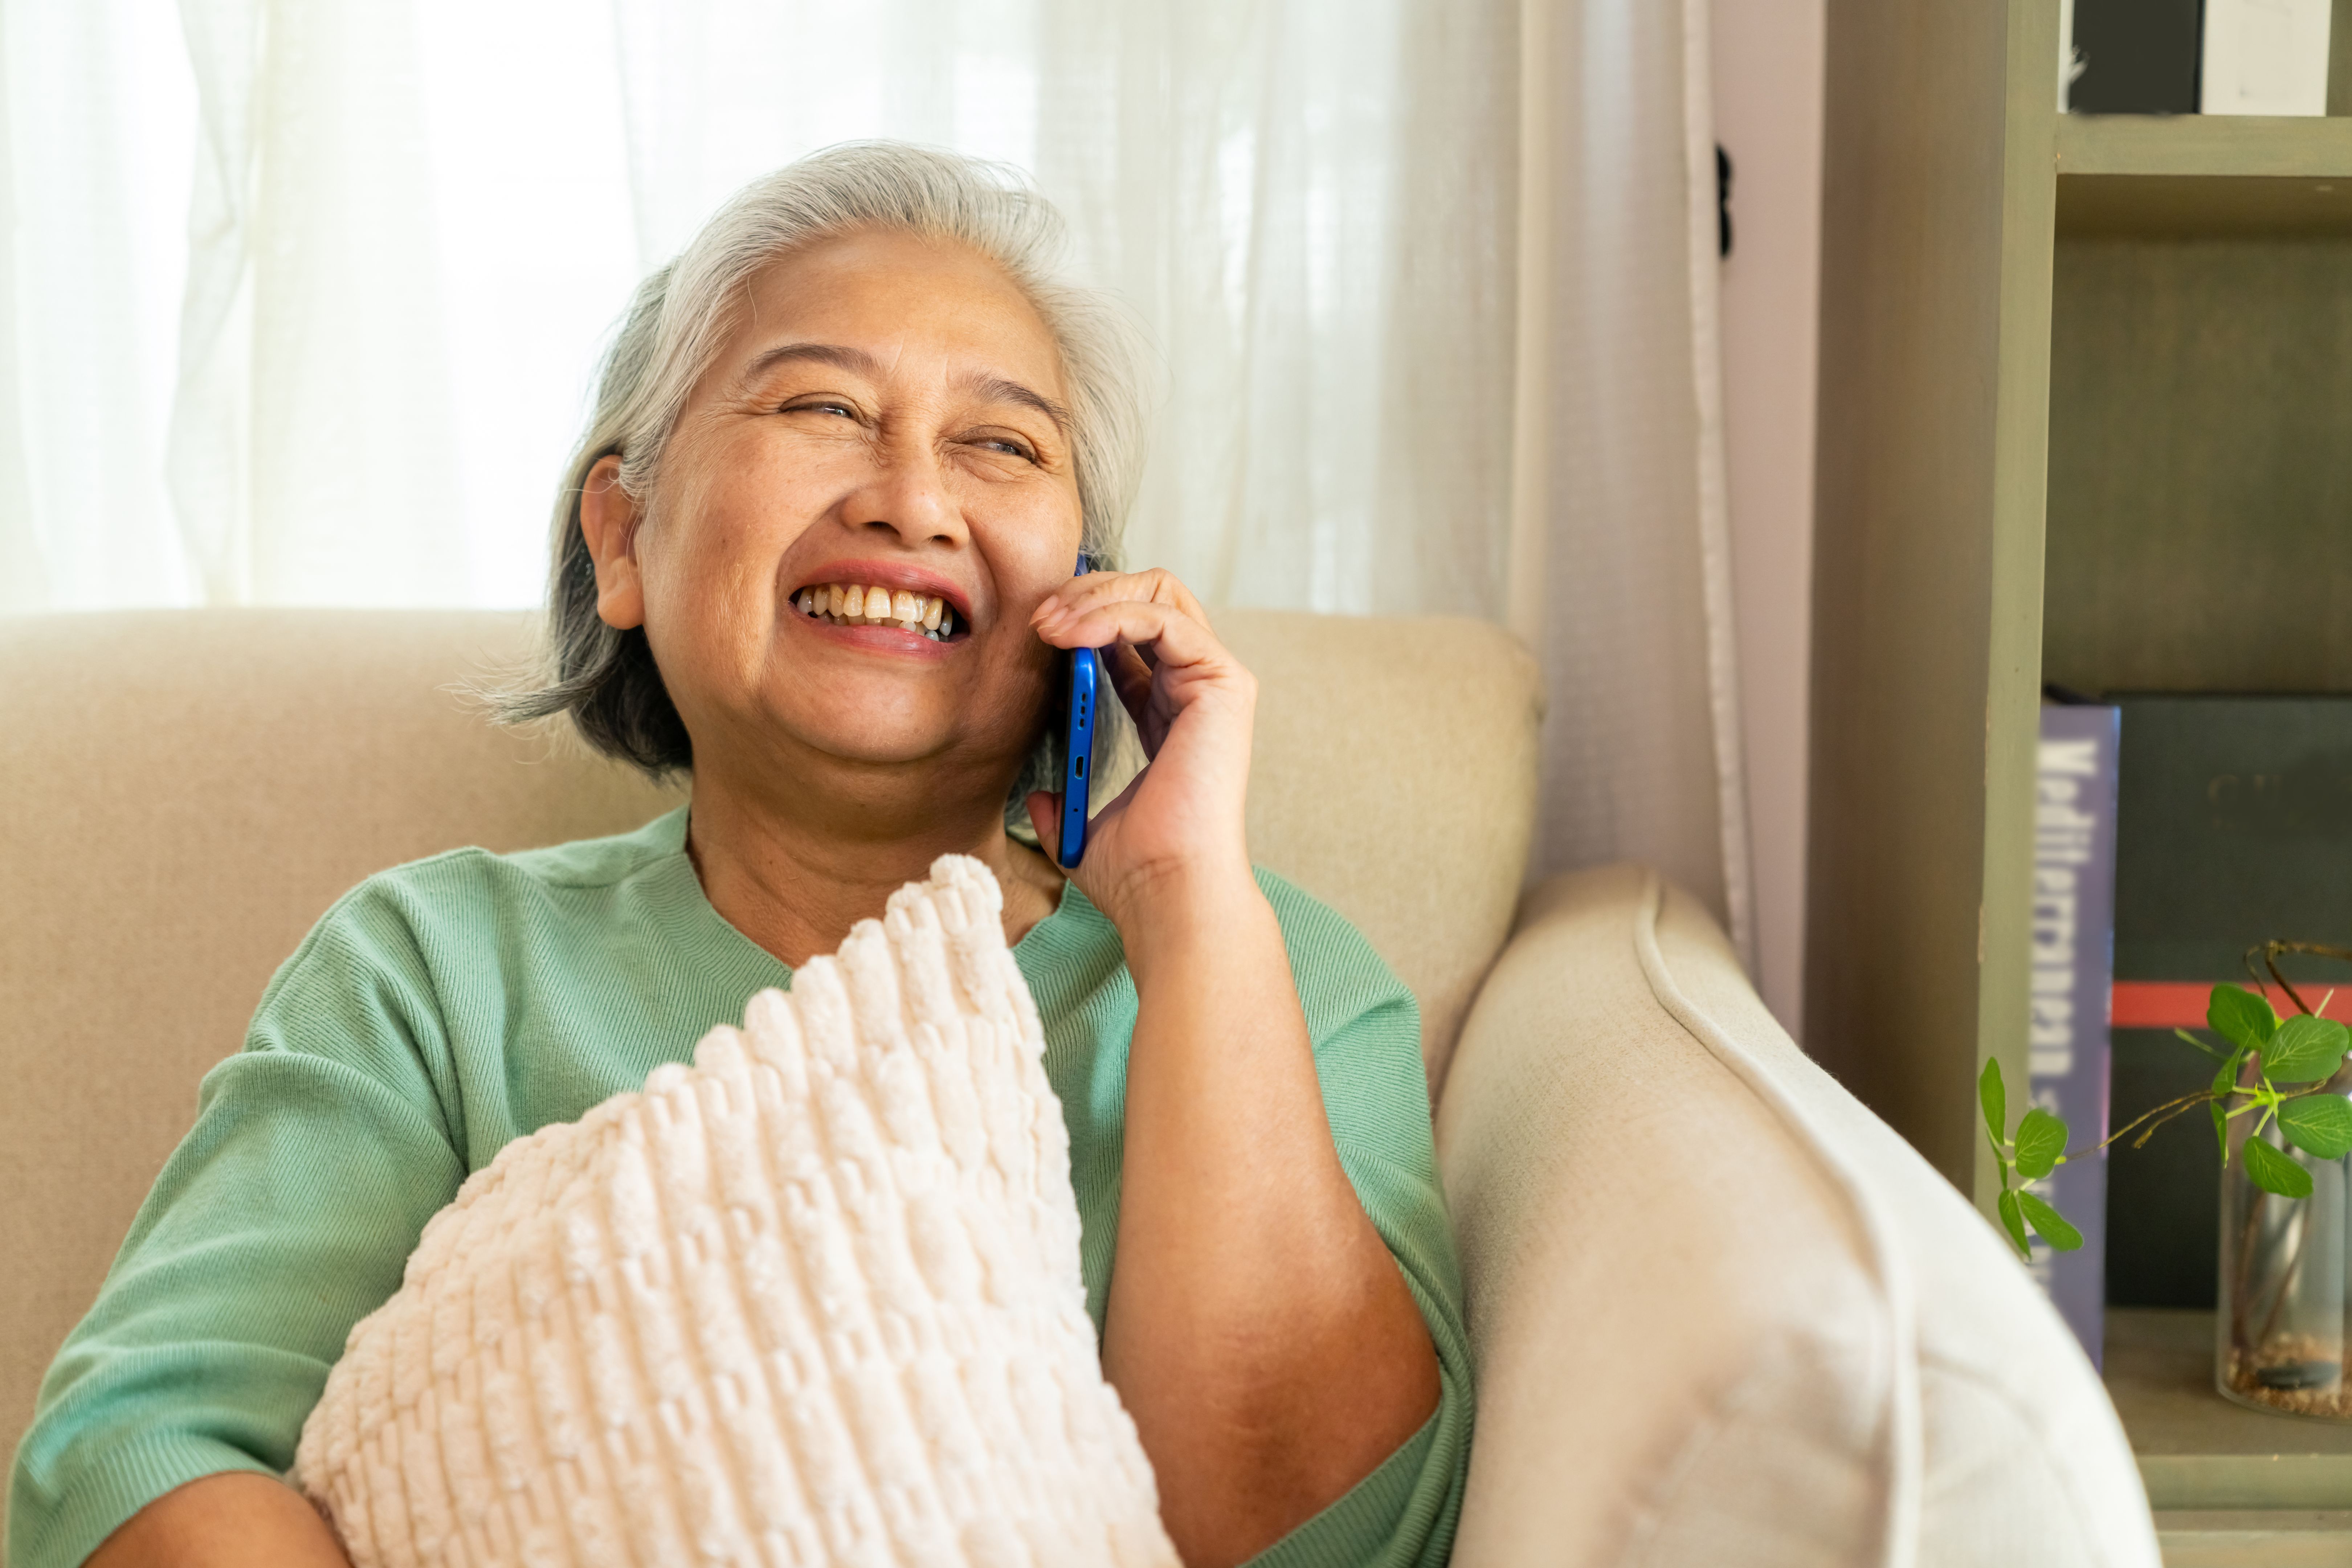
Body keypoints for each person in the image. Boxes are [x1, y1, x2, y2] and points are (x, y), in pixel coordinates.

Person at [9, 143, 1471, 1568]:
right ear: (624, 537)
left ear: (1084, 596)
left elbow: (1306, 1535)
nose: (913, 500)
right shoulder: (435, 973)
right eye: (825, 406)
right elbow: (144, 1458)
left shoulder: (1268, 976)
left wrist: (1188, 907)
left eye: (1002, 444)